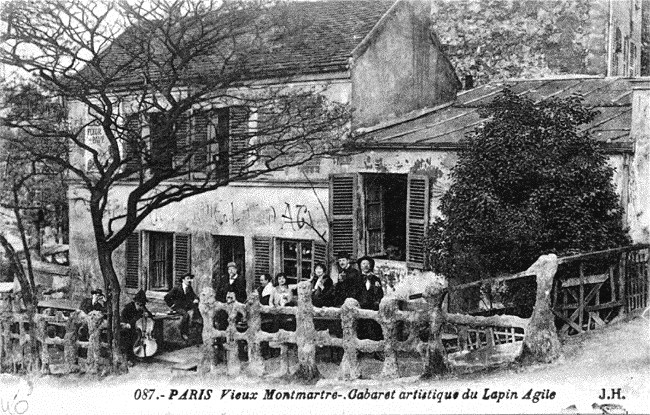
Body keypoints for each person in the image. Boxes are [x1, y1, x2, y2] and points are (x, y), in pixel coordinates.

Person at [164, 272, 202, 342]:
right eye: (187, 278)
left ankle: (196, 332)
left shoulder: (189, 287)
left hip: (186, 306)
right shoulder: (177, 288)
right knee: (186, 315)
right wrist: (172, 305)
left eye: (190, 278)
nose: (189, 280)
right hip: (178, 307)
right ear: (183, 280)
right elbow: (166, 297)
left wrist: (196, 299)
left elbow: (194, 295)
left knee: (197, 311)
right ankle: (184, 333)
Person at [357, 255, 385, 346]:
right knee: (360, 329)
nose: (365, 266)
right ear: (360, 266)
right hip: (360, 307)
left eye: (368, 264)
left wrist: (376, 301)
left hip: (372, 308)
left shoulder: (376, 279)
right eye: (363, 264)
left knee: (374, 328)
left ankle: (376, 351)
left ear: (371, 266)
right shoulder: (356, 279)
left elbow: (380, 293)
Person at [120, 290, 153, 364]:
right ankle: (129, 358)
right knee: (129, 337)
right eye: (140, 305)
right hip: (128, 327)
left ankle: (140, 354)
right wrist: (128, 323)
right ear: (137, 303)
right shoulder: (128, 307)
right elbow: (123, 318)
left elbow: (150, 315)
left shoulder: (142, 307)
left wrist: (148, 314)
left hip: (137, 328)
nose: (142, 307)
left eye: (143, 305)